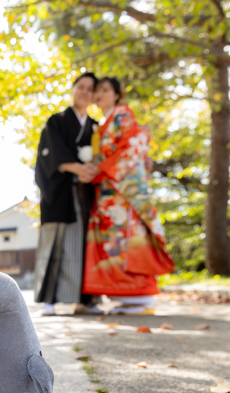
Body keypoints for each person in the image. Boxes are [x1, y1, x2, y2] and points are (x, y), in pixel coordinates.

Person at [81, 77, 174, 315]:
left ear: (117, 95)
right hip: (108, 192)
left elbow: (134, 144)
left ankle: (143, 297)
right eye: (97, 90)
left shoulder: (122, 114)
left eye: (105, 90)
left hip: (122, 192)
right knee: (112, 246)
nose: (99, 94)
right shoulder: (102, 123)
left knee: (128, 241)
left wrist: (102, 169)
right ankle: (127, 297)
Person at [33, 72, 101, 315]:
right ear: (73, 89)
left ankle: (85, 301)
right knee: (55, 245)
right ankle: (49, 301)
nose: (85, 92)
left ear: (94, 95)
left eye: (90, 89)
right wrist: (78, 168)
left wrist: (91, 171)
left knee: (85, 245)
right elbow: (52, 152)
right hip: (60, 191)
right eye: (81, 86)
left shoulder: (95, 126)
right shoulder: (56, 121)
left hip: (86, 194)